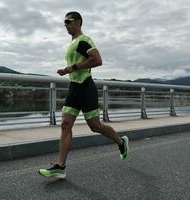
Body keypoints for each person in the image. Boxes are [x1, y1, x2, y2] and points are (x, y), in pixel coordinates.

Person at [38, 11, 129, 178]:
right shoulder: (73, 43)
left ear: (78, 22)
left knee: (95, 126)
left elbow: (97, 60)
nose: (65, 24)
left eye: (68, 21)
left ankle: (121, 142)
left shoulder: (83, 41)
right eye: (64, 22)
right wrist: (68, 70)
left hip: (86, 87)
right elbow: (77, 64)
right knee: (65, 124)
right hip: (74, 88)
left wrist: (71, 68)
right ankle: (60, 166)